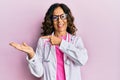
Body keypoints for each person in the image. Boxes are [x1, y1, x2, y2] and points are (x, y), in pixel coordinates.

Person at [9, 3, 88, 80]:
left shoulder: (76, 41)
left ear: (67, 18)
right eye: (55, 17)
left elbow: (82, 60)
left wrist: (61, 43)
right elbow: (39, 73)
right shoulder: (43, 42)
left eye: (63, 16)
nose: (59, 20)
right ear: (51, 21)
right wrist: (31, 54)